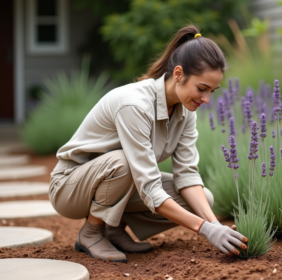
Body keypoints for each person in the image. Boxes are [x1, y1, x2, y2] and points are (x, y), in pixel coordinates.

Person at [49, 25, 248, 263]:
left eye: (212, 92)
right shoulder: (135, 105)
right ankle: (91, 232)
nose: (206, 99)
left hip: (115, 182)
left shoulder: (186, 111)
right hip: (69, 187)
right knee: (122, 162)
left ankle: (113, 228)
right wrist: (205, 229)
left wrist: (215, 224)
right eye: (202, 89)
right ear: (178, 74)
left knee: (204, 198)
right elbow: (150, 187)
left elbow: (187, 175)